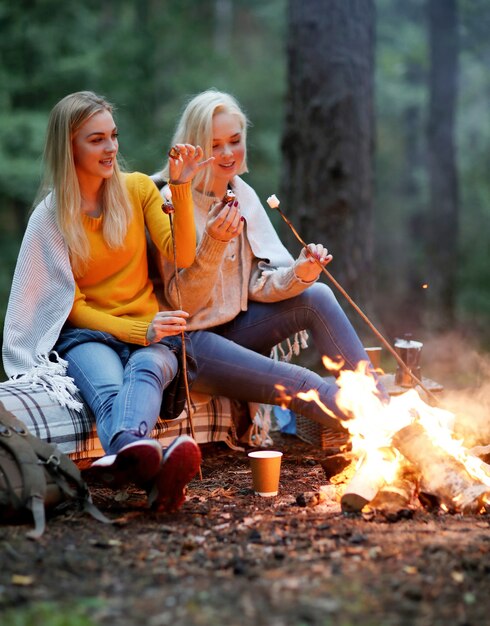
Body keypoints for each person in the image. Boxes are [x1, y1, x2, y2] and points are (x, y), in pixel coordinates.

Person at [2, 91, 212, 512]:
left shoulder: (136, 190)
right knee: (110, 388)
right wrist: (139, 329)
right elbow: (71, 305)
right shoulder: (51, 216)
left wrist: (182, 186)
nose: (111, 147)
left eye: (113, 136)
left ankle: (129, 459)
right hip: (89, 336)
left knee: (150, 368)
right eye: (96, 139)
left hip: (153, 335)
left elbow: (182, 255)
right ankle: (154, 472)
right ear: (70, 147)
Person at [152, 89, 387, 436]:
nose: (228, 153)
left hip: (236, 329)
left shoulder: (241, 194)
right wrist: (215, 243)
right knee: (304, 382)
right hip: (191, 343)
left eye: (235, 140)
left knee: (317, 295)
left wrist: (300, 274)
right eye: (215, 145)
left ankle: (382, 405)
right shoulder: (171, 201)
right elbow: (184, 304)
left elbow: (259, 284)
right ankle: (392, 431)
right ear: (194, 147)